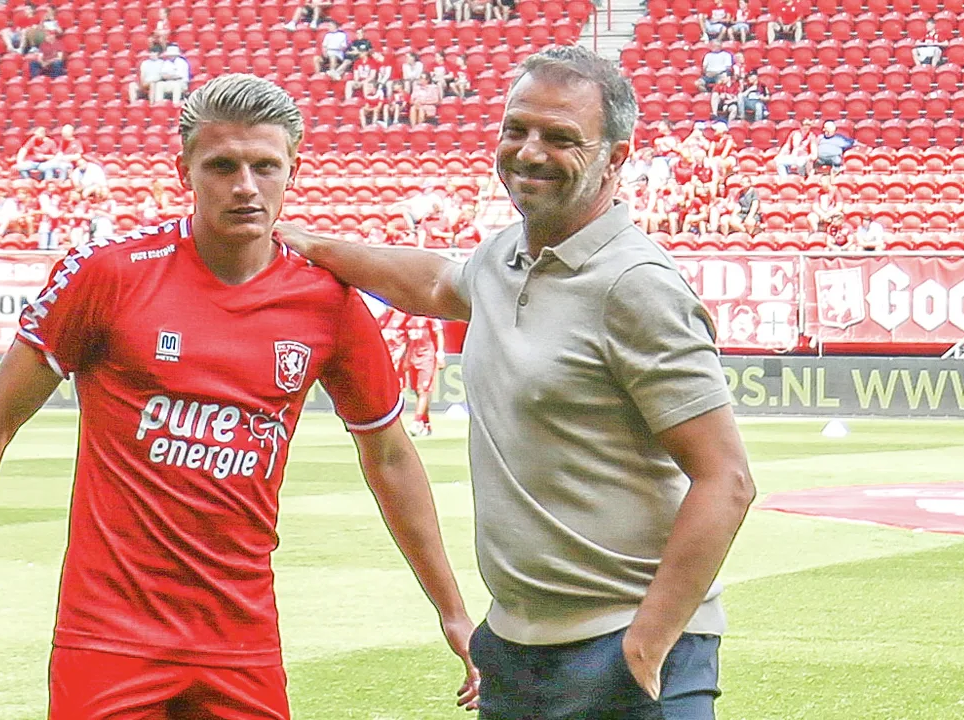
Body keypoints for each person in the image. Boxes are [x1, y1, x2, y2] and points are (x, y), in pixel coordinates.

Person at [0, 74, 480, 719]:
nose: (245, 186)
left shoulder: (327, 303)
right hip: (109, 636)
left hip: (242, 639)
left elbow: (388, 455)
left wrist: (453, 611)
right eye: (222, 166)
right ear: (184, 170)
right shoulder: (107, 274)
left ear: (293, 171)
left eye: (265, 166)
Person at [276, 46, 755, 718]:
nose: (529, 152)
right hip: (514, 649)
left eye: (560, 137)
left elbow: (726, 479)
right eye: (516, 129)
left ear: (615, 158)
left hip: (624, 649)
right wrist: (312, 247)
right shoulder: (506, 255)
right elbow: (435, 283)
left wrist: (646, 646)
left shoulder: (635, 286)